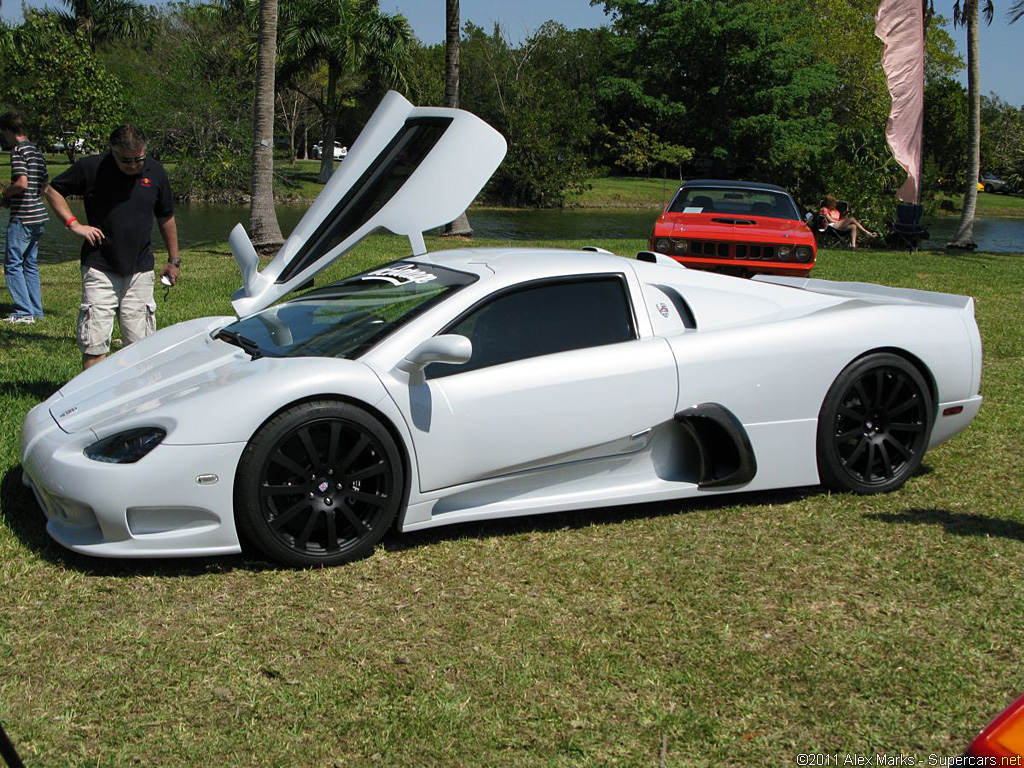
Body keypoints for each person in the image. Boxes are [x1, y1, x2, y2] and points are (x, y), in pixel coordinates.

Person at [45, 124, 181, 369]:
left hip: (140, 271)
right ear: (112, 151)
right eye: (126, 160)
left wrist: (174, 260)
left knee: (142, 345)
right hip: (100, 268)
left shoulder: (156, 171)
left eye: (138, 159)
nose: (133, 166)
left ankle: (139, 399)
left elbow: (166, 217)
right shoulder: (92, 168)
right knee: (95, 343)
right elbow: (53, 190)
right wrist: (74, 224)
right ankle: (96, 400)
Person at [0, 111, 49, 324]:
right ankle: (35, 310)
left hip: (22, 217)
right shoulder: (36, 151)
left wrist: (4, 194)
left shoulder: (18, 151)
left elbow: (21, 183)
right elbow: (44, 184)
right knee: (30, 263)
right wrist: (33, 197)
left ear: (10, 131)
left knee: (13, 264)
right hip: (38, 214)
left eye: (3, 134)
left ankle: (23, 312)